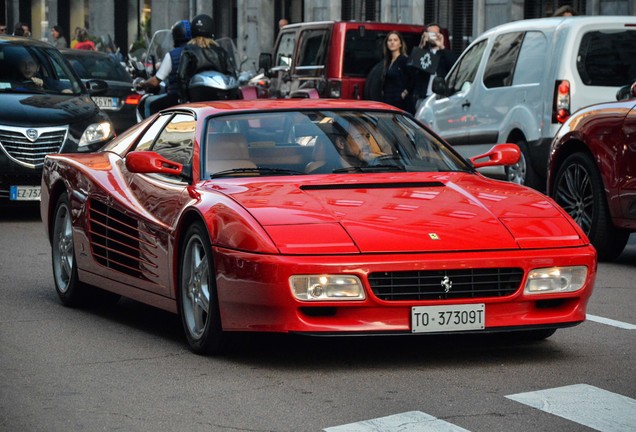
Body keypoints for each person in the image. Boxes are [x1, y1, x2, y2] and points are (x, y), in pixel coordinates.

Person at [135, 20, 192, 117]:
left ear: (175, 36)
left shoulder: (172, 55)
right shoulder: (197, 51)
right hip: (193, 97)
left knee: (148, 102)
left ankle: (150, 129)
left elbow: (155, 82)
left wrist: (143, 84)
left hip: (176, 97)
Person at [176, 14, 236, 102]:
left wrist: (185, 98)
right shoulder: (220, 50)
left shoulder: (188, 49)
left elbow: (181, 75)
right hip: (219, 98)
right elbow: (232, 74)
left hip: (196, 98)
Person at [410, 23, 459, 111]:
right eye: (430, 34)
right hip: (423, 97)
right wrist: (422, 44)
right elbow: (412, 67)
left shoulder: (445, 53)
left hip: (441, 97)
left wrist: (441, 46)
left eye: (435, 34)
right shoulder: (423, 52)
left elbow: (454, 65)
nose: (433, 36)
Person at [381, 30, 415, 114]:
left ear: (400, 44)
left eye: (395, 40)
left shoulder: (404, 60)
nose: (392, 42)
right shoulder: (387, 61)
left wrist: (405, 93)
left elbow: (413, 78)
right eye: (390, 40)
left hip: (400, 103)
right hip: (388, 101)